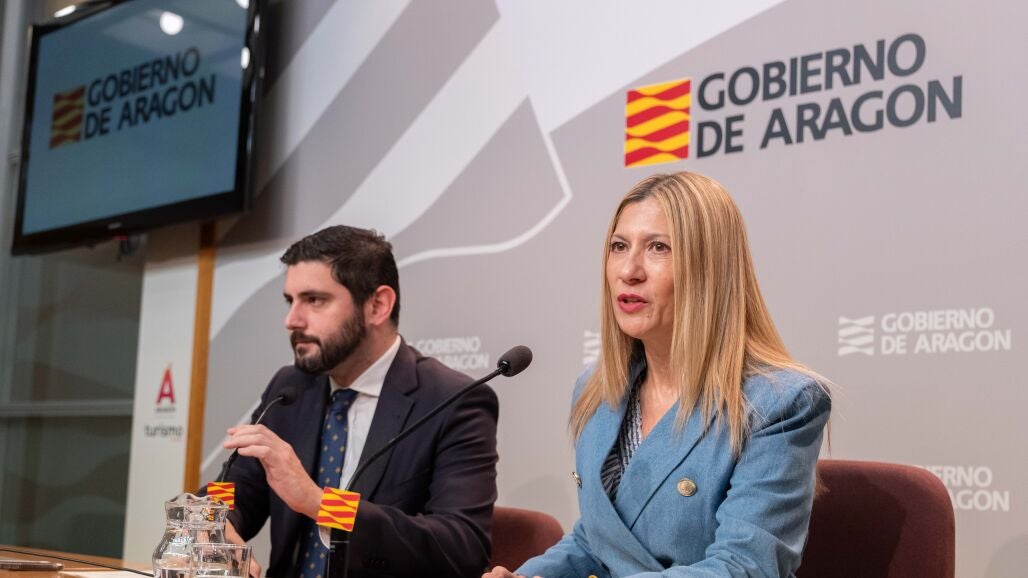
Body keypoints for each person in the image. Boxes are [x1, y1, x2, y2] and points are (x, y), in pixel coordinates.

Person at [486, 172, 831, 578]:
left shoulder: (781, 402)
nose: (629, 270)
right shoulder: (597, 389)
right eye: (619, 246)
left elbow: (745, 567)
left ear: (710, 269)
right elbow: (599, 539)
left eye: (658, 248)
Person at [220, 225, 499, 578]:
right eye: (291, 301)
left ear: (377, 306)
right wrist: (216, 521)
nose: (291, 320)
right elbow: (234, 483)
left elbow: (461, 547)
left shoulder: (452, 401)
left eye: (314, 300)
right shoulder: (291, 387)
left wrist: (323, 505)